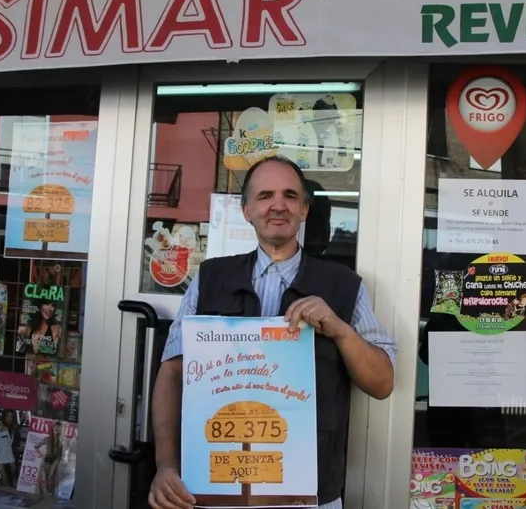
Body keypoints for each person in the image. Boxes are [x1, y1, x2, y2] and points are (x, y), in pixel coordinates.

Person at [148, 155, 397, 509]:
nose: (278, 205)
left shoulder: (344, 286)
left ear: (305, 210)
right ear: (246, 209)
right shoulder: (210, 279)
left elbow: (383, 382)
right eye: (265, 196)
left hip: (308, 495)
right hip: (216, 488)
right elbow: (172, 373)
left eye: (290, 196)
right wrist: (167, 463)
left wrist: (340, 330)